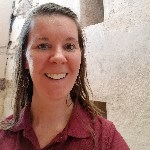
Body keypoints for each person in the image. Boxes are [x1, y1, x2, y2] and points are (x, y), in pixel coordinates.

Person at [0, 3, 130, 150]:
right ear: (24, 59)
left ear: (81, 57)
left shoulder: (105, 139)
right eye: (43, 45)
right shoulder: (3, 136)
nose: (59, 57)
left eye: (69, 46)